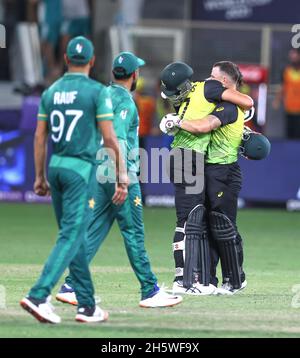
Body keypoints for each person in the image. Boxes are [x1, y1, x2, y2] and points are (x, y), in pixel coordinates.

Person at [56, 51, 183, 308]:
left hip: (99, 171)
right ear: (134, 75)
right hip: (118, 173)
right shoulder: (125, 102)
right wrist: (123, 177)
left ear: (115, 73)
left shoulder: (102, 96)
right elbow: (118, 140)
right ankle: (149, 290)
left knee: (94, 229)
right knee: (133, 232)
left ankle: (71, 285)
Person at [20, 36, 128, 323]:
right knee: (71, 235)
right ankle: (38, 295)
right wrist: (121, 176)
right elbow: (109, 138)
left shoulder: (51, 91)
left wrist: (40, 176)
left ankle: (88, 306)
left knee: (74, 237)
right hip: (80, 170)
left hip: (56, 167)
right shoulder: (96, 92)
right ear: (92, 62)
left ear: (66, 60)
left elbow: (40, 136)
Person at [159, 61, 253, 295]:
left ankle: (213, 279)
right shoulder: (204, 92)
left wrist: (178, 122)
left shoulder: (209, 93)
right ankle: (187, 279)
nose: (206, 78)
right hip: (188, 158)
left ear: (222, 82)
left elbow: (245, 103)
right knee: (191, 220)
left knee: (204, 222)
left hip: (207, 165)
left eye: (212, 76)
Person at [273, 48, 300, 139]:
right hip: (289, 107)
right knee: (290, 135)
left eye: (294, 55)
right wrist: (277, 100)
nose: (292, 57)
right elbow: (282, 87)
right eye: (291, 55)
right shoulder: (286, 71)